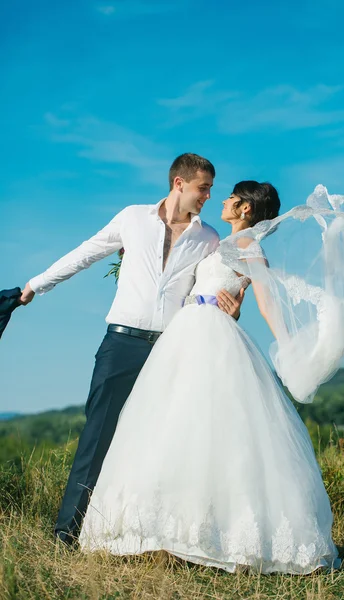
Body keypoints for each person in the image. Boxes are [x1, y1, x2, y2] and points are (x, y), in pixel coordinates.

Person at [79, 180, 342, 575]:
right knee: (172, 425)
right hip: (185, 330)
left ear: (246, 209)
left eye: (231, 197)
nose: (222, 200)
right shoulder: (219, 242)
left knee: (215, 432)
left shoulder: (250, 247)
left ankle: (219, 535)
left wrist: (287, 343)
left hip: (213, 336)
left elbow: (267, 301)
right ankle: (166, 530)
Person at [19, 153, 245, 545]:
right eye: (203, 188)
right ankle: (66, 533)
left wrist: (233, 309)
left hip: (171, 350)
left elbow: (206, 292)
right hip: (121, 342)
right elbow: (85, 253)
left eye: (210, 189)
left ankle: (140, 533)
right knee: (97, 436)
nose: (209, 196)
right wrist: (35, 285)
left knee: (161, 439)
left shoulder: (208, 238)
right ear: (179, 183)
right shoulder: (132, 218)